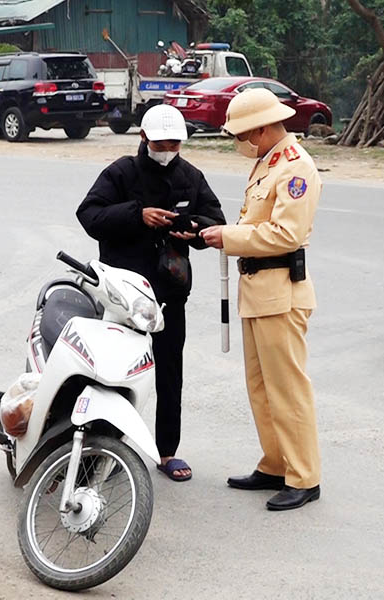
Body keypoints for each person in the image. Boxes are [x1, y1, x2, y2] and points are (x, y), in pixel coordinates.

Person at [77, 104, 226, 481]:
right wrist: (137, 215)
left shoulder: (191, 177)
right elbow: (89, 215)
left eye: (174, 143)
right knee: (110, 374)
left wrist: (192, 229)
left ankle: (167, 451)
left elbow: (215, 222)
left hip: (169, 294)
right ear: (143, 138)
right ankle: (100, 453)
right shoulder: (120, 172)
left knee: (169, 373)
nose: (167, 149)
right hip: (122, 297)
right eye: (160, 142)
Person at [200, 88, 322, 511]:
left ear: (265, 127)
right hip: (257, 292)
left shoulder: (295, 168)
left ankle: (304, 476)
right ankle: (275, 463)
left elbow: (285, 235)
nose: (240, 142)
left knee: (287, 389)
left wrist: (227, 238)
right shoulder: (266, 162)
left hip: (281, 293)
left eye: (244, 134)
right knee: (261, 388)